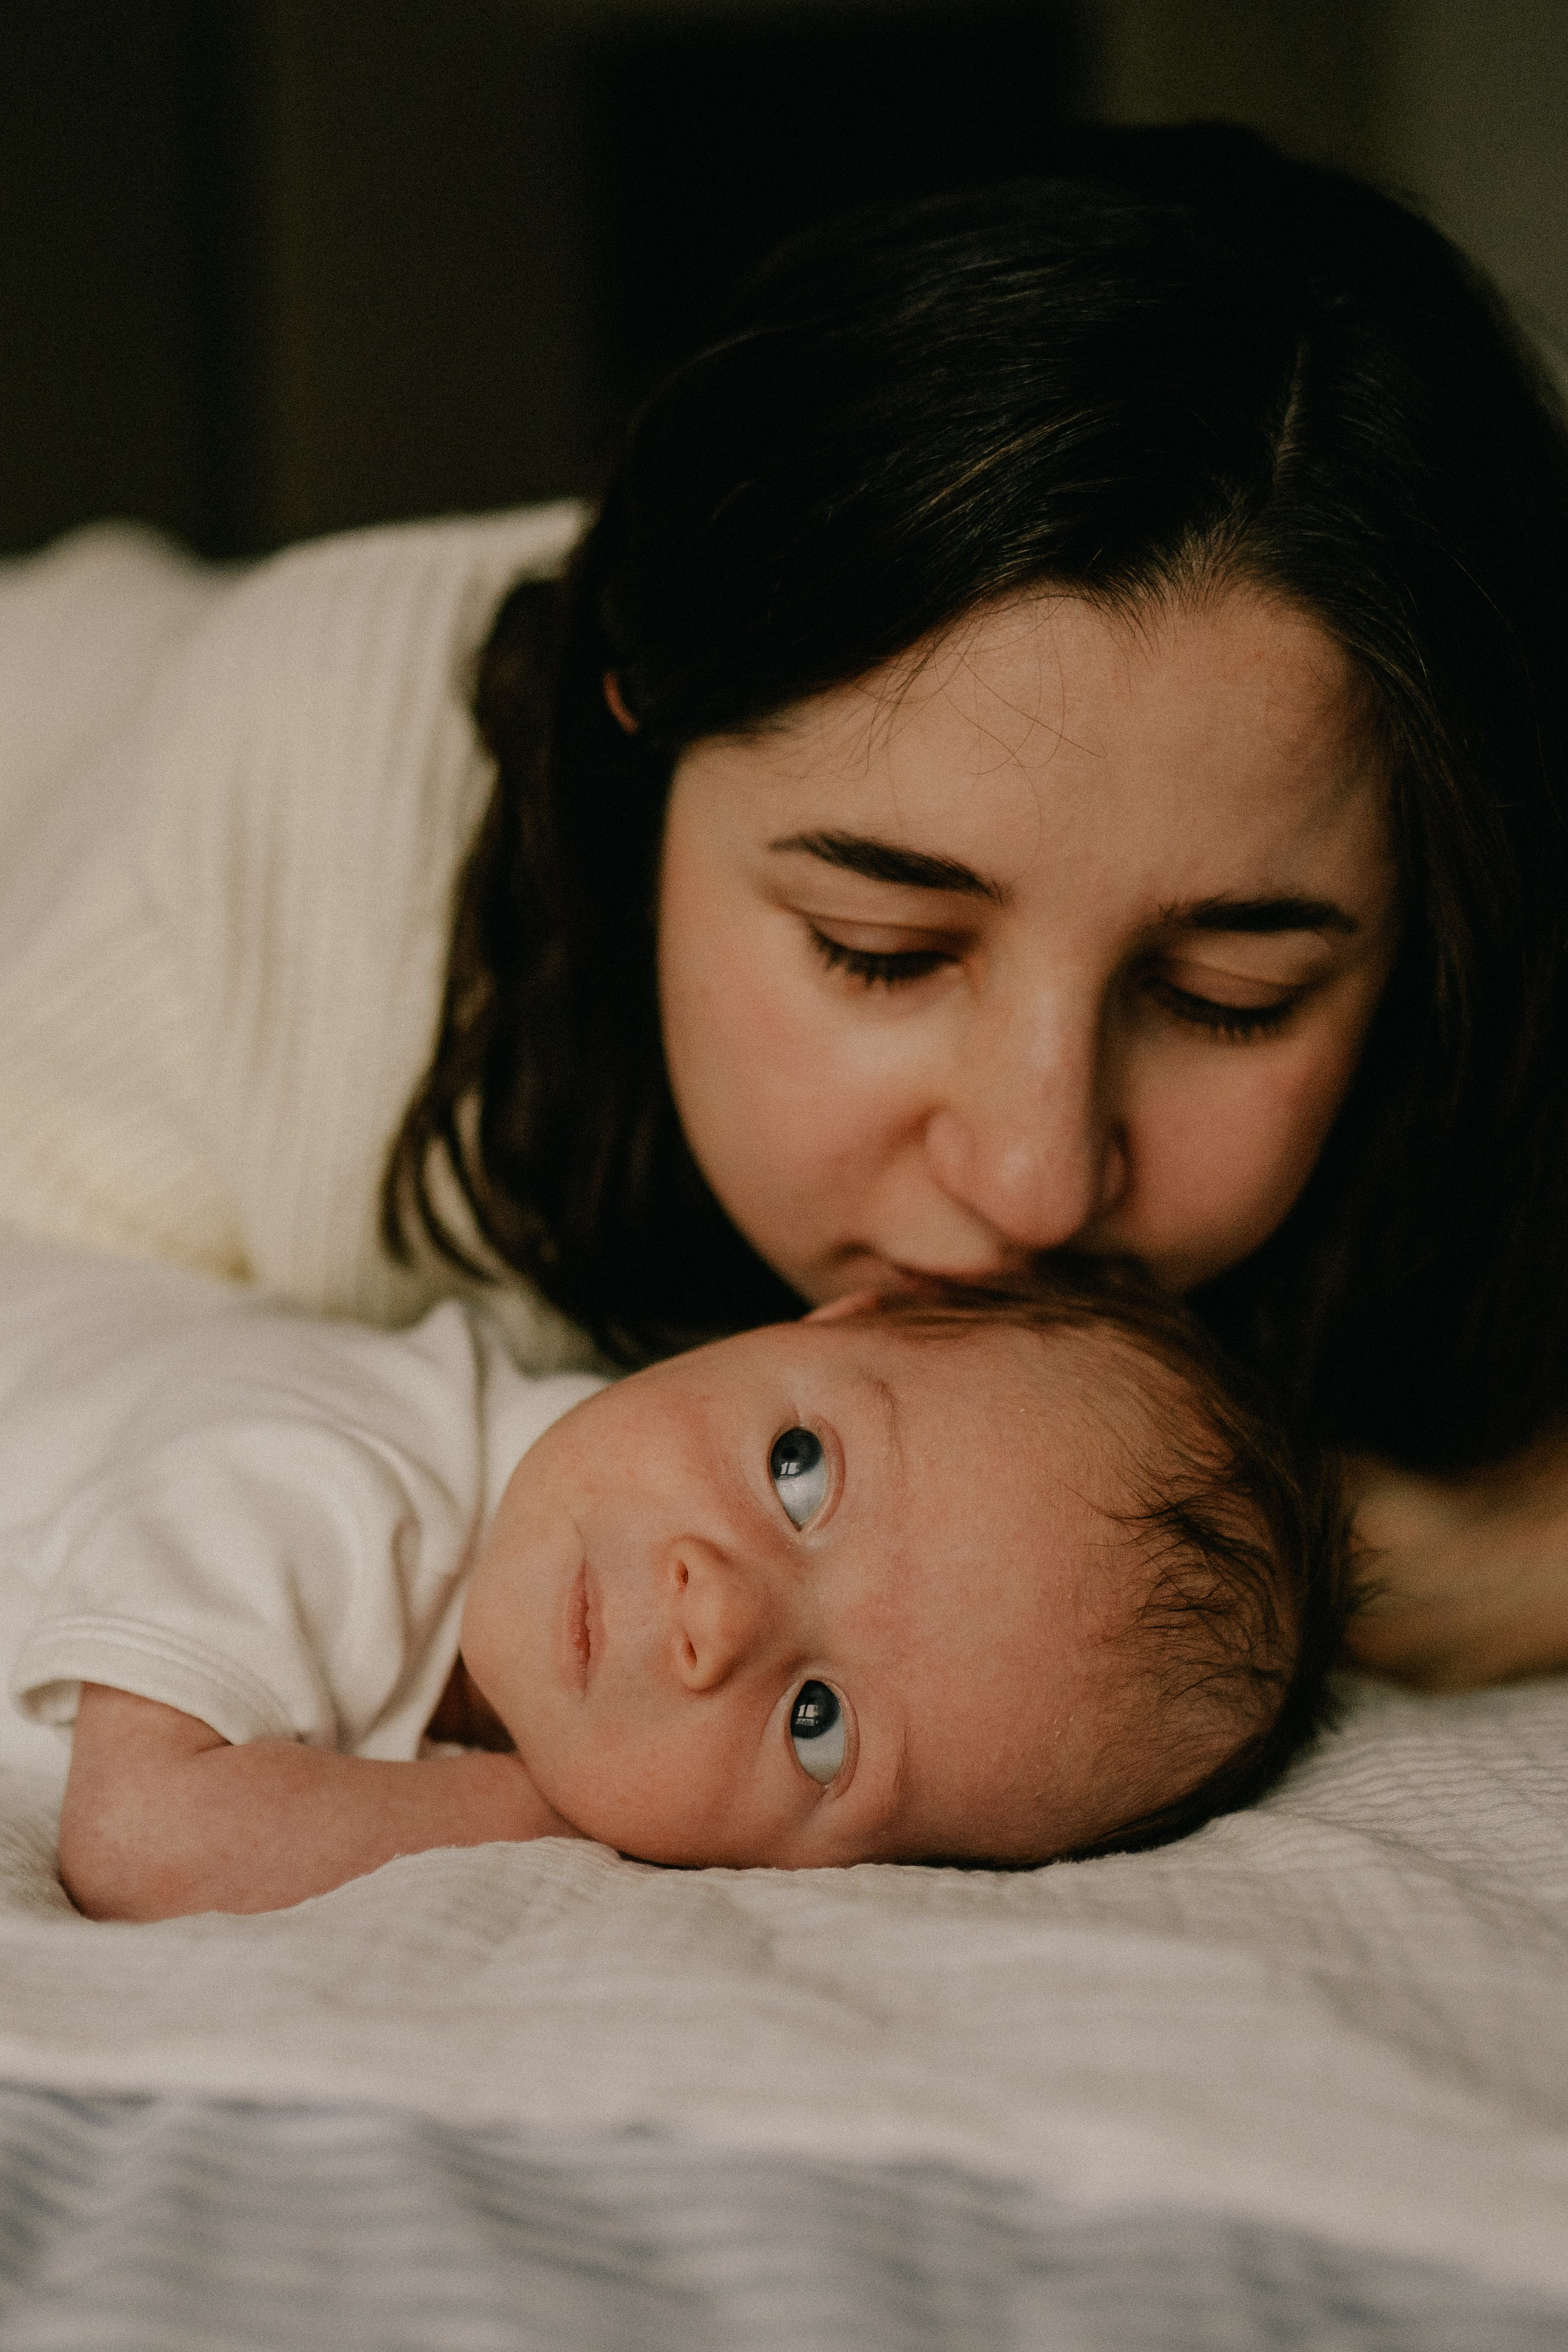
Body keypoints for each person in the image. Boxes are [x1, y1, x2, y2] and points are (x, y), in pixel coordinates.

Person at [1, 126, 1565, 1687]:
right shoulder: (283, 840)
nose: (1030, 1181)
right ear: (636, 750)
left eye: (1228, 992)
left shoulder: (1472, 1009)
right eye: (876, 953)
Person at [0, 1238, 1343, 1920]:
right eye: (799, 1469)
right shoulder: (327, 1459)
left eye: (818, 1728)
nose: (719, 1613)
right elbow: (143, 1839)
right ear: (829, 1316)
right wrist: (526, 1811)